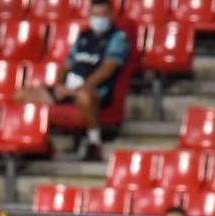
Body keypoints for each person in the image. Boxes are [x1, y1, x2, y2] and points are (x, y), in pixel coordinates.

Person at [14, 0, 129, 161]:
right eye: (95, 14)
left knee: (84, 95)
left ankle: (94, 143)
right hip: (69, 87)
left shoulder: (118, 37)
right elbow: (66, 65)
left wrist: (81, 87)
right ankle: (40, 145)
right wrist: (59, 85)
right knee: (22, 95)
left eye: (103, 15)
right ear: (89, 15)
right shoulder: (84, 36)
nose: (99, 19)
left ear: (111, 15)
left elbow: (108, 67)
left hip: (96, 90)